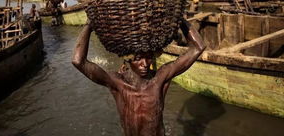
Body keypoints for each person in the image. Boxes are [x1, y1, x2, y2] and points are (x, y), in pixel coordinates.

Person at [72, 18, 206, 136]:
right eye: (137, 59)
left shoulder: (160, 79)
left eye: (148, 58)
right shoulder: (117, 82)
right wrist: (89, 26)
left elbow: (198, 48)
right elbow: (78, 61)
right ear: (128, 59)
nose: (144, 64)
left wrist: (180, 19)